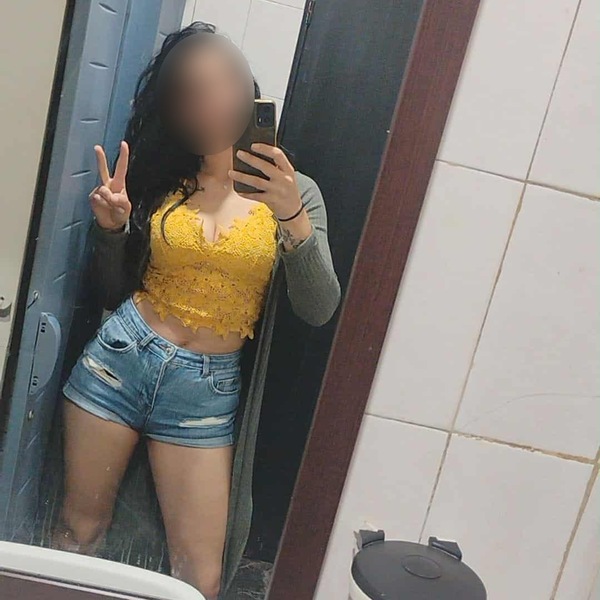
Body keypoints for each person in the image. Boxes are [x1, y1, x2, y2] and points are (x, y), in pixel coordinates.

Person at [51, 21, 340, 600]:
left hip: (204, 394)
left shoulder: (294, 190)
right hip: (118, 361)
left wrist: (293, 219)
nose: (213, 101)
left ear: (248, 89)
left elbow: (318, 307)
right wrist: (112, 231)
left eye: (224, 83)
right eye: (195, 91)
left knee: (200, 577)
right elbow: (110, 292)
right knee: (79, 533)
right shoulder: (164, 176)